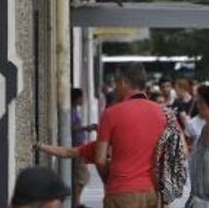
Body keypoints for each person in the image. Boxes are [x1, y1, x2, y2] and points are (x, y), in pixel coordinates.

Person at [95, 63, 167, 208]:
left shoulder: (110, 114)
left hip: (121, 192)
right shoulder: (165, 114)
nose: (114, 87)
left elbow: (100, 159)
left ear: (124, 82)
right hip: (153, 192)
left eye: (116, 82)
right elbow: (181, 151)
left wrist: (108, 181)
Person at [71, 88, 97, 208]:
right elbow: (71, 128)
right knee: (81, 176)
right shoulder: (71, 111)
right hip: (76, 148)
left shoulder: (75, 110)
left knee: (81, 176)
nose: (83, 100)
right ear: (77, 98)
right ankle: (76, 202)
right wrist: (86, 128)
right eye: (82, 97)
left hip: (80, 146)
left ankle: (77, 201)